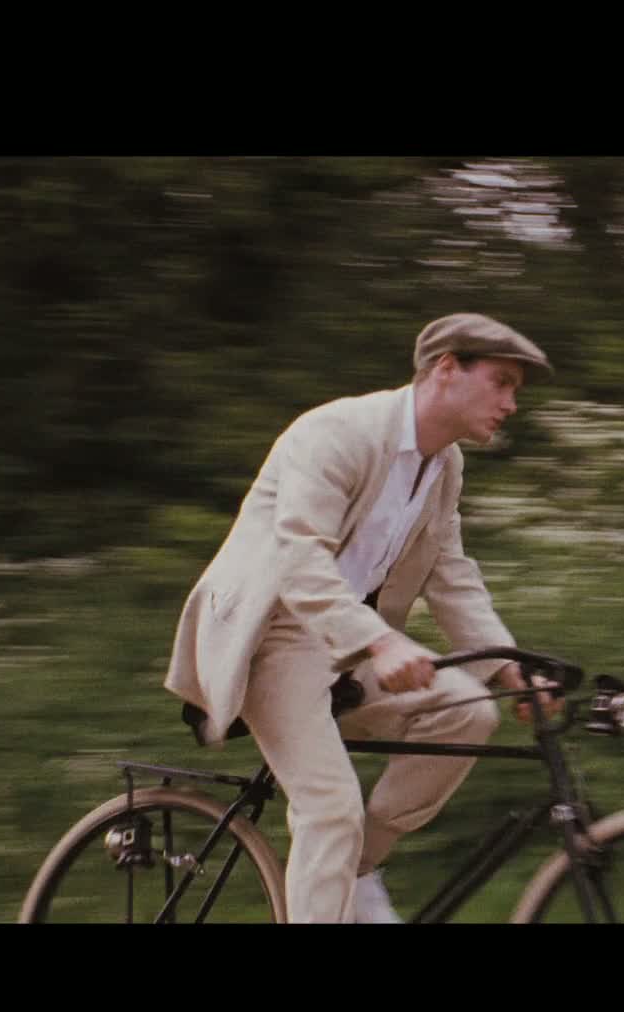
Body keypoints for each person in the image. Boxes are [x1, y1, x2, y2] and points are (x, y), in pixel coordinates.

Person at [165, 313, 554, 923]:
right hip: (272, 635)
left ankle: (356, 870)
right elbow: (299, 559)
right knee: (330, 807)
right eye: (501, 382)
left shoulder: (444, 465)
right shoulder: (338, 433)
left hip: (345, 644)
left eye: (515, 390)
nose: (510, 403)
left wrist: (510, 668)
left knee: (469, 712)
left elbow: (450, 573)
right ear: (445, 369)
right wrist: (380, 642)